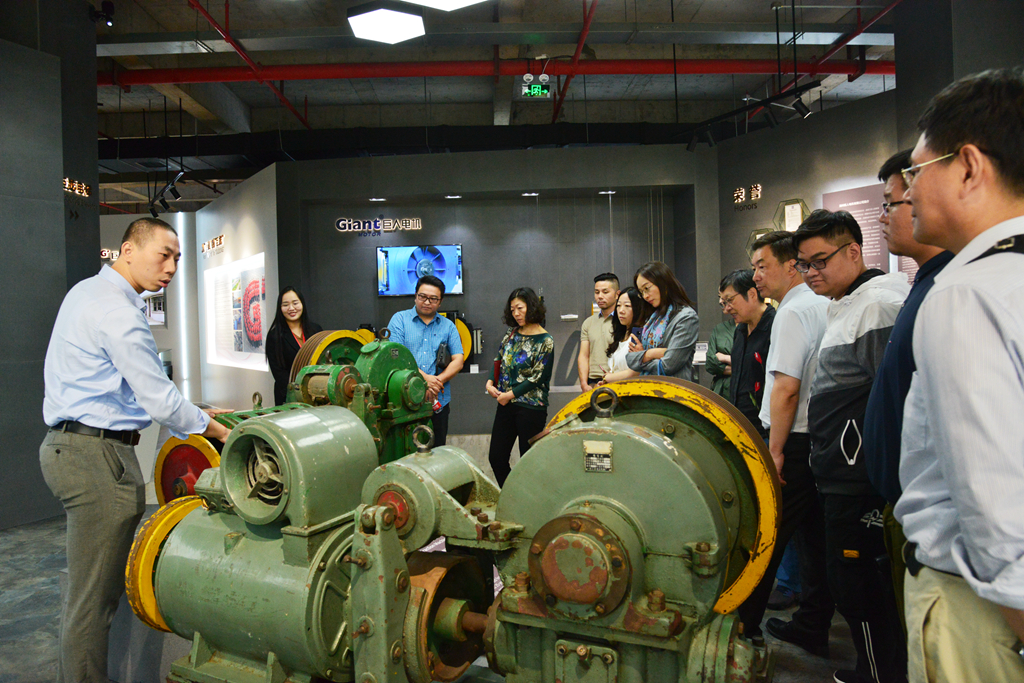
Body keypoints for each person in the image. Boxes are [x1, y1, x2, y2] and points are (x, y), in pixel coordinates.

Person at [39, 218, 231, 682]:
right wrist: (219, 431)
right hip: (96, 459)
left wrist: (197, 410)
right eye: (163, 255)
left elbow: (119, 386)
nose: (171, 268)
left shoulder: (85, 293)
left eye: (177, 259)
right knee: (92, 604)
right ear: (128, 250)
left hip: (73, 447)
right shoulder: (118, 311)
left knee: (93, 596)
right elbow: (160, 400)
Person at [894, 67, 1024, 682]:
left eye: (916, 172)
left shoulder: (967, 293)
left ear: (969, 167)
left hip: (984, 615)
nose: (908, 192)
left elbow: (996, 508)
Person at [791, 210, 910, 683]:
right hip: (840, 473)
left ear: (854, 251)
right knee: (850, 582)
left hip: (861, 480)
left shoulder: (878, 305)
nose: (811, 272)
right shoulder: (846, 303)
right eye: (804, 264)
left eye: (820, 260)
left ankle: (879, 674)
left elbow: (895, 398)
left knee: (862, 587)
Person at [861, 149, 952, 633]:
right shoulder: (924, 284)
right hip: (910, 510)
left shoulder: (953, 289)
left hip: (942, 538)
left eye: (890, 202)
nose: (884, 216)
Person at [742, 230, 834, 653]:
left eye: (763, 266)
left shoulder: (793, 312)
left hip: (792, 440)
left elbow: (786, 389)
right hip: (819, 438)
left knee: (767, 535)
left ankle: (744, 627)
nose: (756, 276)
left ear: (791, 265)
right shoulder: (822, 303)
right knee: (815, 537)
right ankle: (813, 622)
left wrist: (774, 451)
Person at [485, 287, 554, 486]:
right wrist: (490, 382)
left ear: (531, 307)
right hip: (505, 404)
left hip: (531, 408)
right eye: (512, 309)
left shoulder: (545, 341)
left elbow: (538, 377)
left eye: (520, 308)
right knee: (496, 457)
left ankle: (529, 501)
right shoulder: (511, 333)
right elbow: (499, 359)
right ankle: (512, 496)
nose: (516, 313)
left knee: (529, 463)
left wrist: (510, 395)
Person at [387, 275, 465, 446]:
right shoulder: (399, 320)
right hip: (404, 401)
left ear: (440, 302)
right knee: (406, 449)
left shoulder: (448, 326)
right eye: (423, 296)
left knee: (437, 450)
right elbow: (397, 358)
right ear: (415, 296)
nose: (427, 302)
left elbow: (458, 360)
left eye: (433, 299)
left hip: (438, 401)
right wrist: (425, 379)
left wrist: (436, 381)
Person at [720, 269, 774, 434]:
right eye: (723, 303)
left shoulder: (775, 325)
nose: (726, 309)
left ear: (752, 294)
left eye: (730, 301)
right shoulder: (740, 330)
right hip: (742, 426)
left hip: (766, 429)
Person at [626, 261, 699, 380]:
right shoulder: (652, 317)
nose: (645, 296)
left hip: (673, 388)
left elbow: (668, 365)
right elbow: (630, 360)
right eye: (641, 292)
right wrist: (652, 353)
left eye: (647, 288)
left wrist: (643, 356)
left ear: (663, 283)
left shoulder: (686, 317)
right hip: (648, 385)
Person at [266, 286, 323, 406]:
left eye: (295, 303)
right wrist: (297, 392)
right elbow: (279, 373)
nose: (291, 308)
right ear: (280, 308)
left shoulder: (316, 330)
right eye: (285, 305)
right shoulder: (274, 336)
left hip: (318, 394)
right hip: (289, 396)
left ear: (302, 304)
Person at [577, 273, 619, 391]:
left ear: (617, 294)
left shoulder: (623, 320)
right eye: (597, 292)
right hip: (593, 381)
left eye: (605, 292)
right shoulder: (588, 322)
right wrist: (584, 384)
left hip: (617, 379)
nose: (600, 296)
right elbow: (584, 355)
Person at [600, 287, 648, 383]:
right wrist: (607, 379)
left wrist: (608, 378)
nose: (621, 310)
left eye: (627, 306)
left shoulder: (640, 336)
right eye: (618, 305)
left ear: (638, 308)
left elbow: (635, 372)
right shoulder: (621, 335)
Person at [705, 317, 736, 400]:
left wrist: (725, 358)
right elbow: (710, 364)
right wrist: (741, 369)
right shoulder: (720, 329)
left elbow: (754, 366)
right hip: (721, 391)